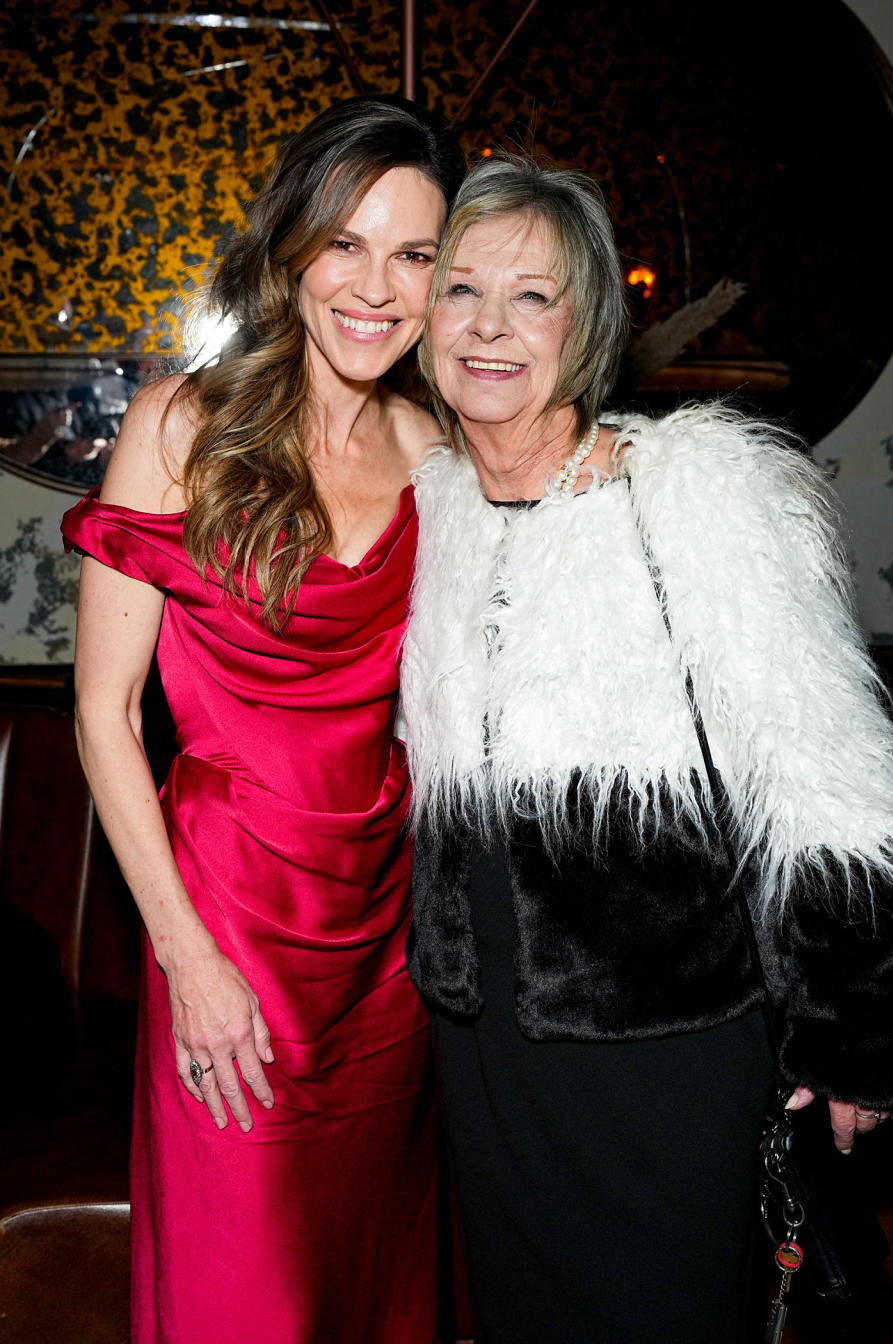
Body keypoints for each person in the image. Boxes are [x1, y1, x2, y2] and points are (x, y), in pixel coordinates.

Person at [399, 153, 893, 1343]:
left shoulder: (697, 497)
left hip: (664, 1048)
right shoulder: (429, 501)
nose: (491, 327)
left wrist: (854, 1040)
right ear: (424, 317)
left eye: (533, 296)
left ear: (587, 322)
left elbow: (833, 787)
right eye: (461, 290)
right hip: (485, 1045)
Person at [62, 96, 463, 1344]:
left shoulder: (436, 450)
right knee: (249, 1304)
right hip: (226, 936)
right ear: (292, 247)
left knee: (366, 1291)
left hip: (386, 955)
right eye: (346, 242)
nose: (375, 287)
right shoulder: (181, 428)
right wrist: (184, 957)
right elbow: (101, 714)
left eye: (412, 256)